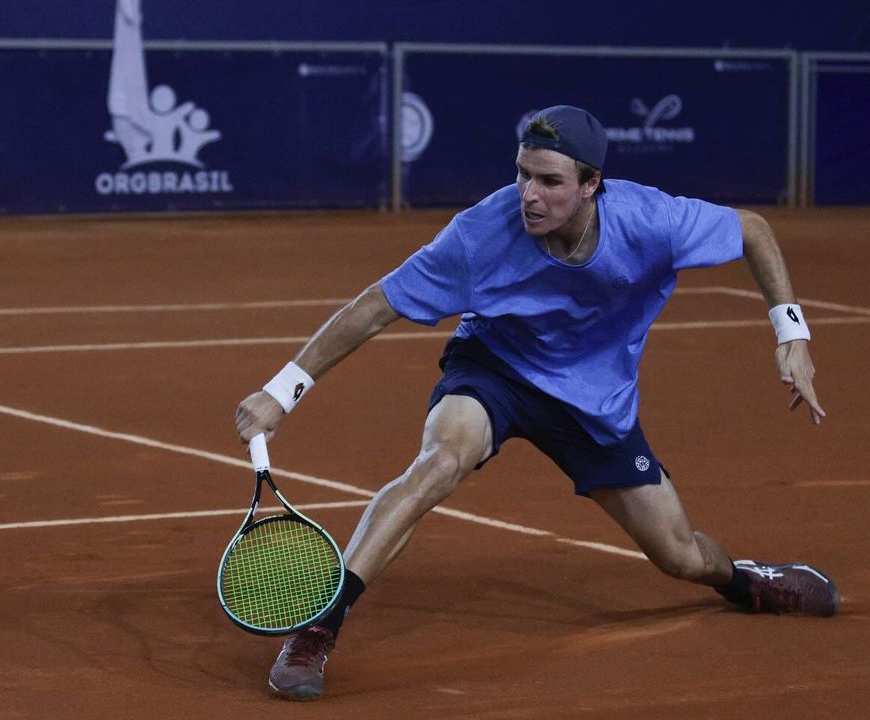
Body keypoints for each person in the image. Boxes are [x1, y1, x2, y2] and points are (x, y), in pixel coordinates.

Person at [233, 105, 840, 702]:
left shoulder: (651, 220)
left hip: (594, 400)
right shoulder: (480, 234)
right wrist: (281, 391)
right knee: (440, 462)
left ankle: (744, 583)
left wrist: (792, 334)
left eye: (550, 182)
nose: (529, 194)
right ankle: (317, 628)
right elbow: (374, 306)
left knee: (680, 556)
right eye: (523, 174)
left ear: (591, 185)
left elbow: (753, 229)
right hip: (496, 368)